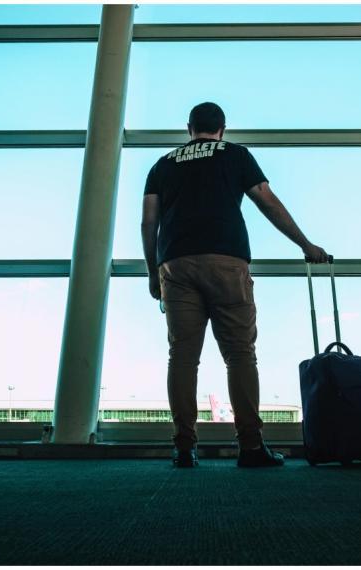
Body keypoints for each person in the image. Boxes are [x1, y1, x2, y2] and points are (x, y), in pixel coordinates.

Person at [141, 102, 329, 468]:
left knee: (182, 356)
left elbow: (149, 222)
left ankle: (183, 447)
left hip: (175, 264)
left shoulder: (162, 164)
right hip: (226, 260)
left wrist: (153, 271)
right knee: (240, 354)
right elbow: (266, 201)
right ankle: (250, 446)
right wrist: (305, 244)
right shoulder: (236, 155)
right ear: (222, 129)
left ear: (189, 128)